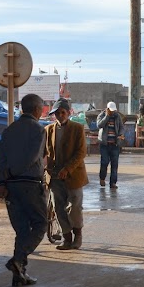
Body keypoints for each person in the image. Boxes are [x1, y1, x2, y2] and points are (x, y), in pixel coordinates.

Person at [0, 93, 47, 286]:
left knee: (22, 229)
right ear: (36, 110)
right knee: (41, 224)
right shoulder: (39, 130)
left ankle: (19, 274)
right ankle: (18, 260)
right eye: (41, 107)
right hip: (30, 185)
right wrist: (14, 173)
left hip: (10, 188)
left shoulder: (8, 130)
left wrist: (2, 181)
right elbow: (33, 157)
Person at [44, 97, 88, 250]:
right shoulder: (48, 130)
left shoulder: (77, 128)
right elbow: (42, 152)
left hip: (73, 176)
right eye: (57, 113)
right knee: (58, 207)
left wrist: (67, 169)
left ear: (68, 113)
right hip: (54, 176)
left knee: (74, 207)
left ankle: (78, 236)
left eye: (63, 112)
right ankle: (66, 237)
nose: (60, 115)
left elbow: (81, 152)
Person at [97, 101, 126, 189]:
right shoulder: (102, 115)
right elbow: (99, 125)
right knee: (104, 162)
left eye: (113, 111)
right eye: (111, 111)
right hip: (104, 144)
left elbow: (121, 127)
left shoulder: (117, 117)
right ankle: (102, 178)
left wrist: (121, 134)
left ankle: (113, 183)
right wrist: (107, 116)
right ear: (107, 109)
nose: (112, 112)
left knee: (114, 164)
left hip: (115, 144)